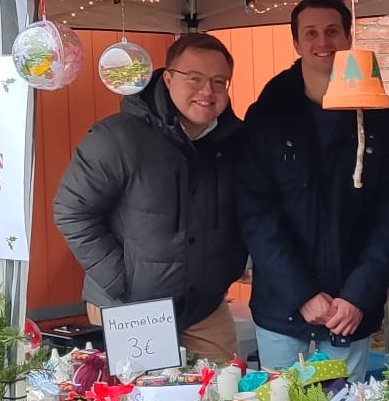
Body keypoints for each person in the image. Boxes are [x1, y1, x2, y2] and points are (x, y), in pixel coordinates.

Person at [236, 0, 389, 380]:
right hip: (282, 307)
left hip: (351, 312)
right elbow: (257, 217)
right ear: (296, 42)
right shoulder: (266, 116)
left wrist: (359, 294)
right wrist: (302, 294)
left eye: (332, 31)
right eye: (310, 33)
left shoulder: (382, 119)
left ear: (348, 38)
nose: (322, 42)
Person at [53, 32, 246, 362]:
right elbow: (72, 211)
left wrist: (229, 267)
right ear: (168, 78)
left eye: (219, 81)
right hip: (130, 308)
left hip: (205, 308)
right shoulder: (117, 138)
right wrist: (121, 278)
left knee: (224, 399)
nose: (207, 91)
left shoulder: (237, 143)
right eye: (195, 78)